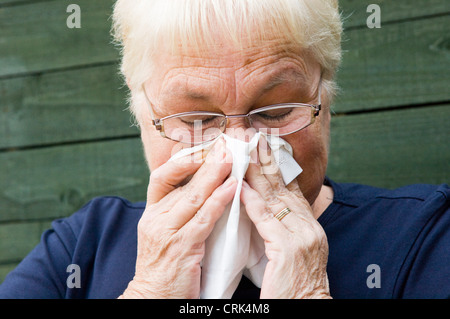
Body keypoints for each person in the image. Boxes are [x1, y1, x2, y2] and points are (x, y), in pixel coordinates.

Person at [0, 0, 448, 299]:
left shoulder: (423, 239)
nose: (237, 146)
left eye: (274, 113)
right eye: (196, 121)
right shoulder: (81, 249)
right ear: (143, 120)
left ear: (325, 104)